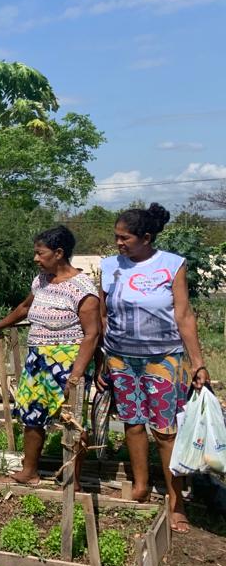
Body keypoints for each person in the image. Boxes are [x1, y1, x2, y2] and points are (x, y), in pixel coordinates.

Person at [98, 204, 210, 533]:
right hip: (121, 358)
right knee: (132, 424)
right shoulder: (109, 267)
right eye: (116, 237)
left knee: (165, 430)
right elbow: (104, 316)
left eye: (125, 238)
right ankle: (141, 486)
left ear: (146, 238)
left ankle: (176, 504)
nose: (118, 243)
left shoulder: (171, 265)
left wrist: (197, 362)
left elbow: (184, 315)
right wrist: (102, 361)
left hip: (164, 358)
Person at [0, 226, 100, 488]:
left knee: (72, 421)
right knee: (31, 414)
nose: (36, 258)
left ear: (59, 253)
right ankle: (30, 471)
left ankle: (74, 480)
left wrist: (76, 374)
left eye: (40, 253)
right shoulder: (42, 280)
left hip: (68, 360)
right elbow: (25, 307)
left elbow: (92, 334)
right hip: (38, 358)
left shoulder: (82, 288)